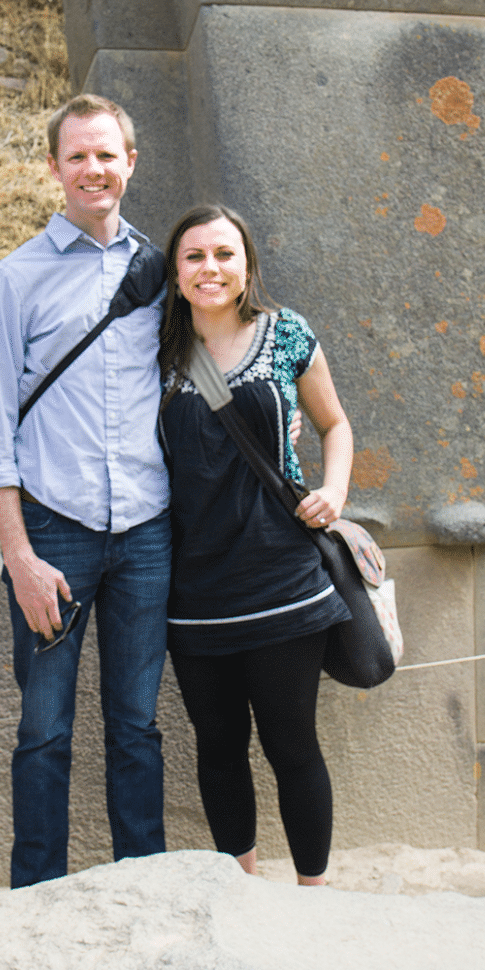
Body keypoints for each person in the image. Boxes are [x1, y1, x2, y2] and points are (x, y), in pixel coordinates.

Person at [0, 94, 172, 889]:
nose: (93, 169)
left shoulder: (160, 269)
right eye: (76, 156)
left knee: (137, 726)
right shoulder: (17, 279)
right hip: (55, 533)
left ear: (130, 163)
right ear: (53, 168)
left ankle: (143, 888)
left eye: (106, 154)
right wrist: (18, 556)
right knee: (44, 730)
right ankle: (38, 895)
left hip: (149, 532)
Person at [157, 203, 355, 886]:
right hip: (191, 589)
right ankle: (240, 888)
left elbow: (334, 425)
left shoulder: (286, 333)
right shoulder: (153, 349)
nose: (208, 268)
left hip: (282, 580)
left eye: (222, 255)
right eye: (193, 257)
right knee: (217, 748)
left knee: (291, 745)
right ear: (175, 271)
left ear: (245, 266)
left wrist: (334, 491)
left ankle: (312, 894)